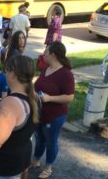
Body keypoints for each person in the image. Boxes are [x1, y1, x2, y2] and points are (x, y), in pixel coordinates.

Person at [0, 55, 39, 179]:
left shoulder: (10, 104)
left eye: (7, 70)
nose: (5, 73)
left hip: (1, 169)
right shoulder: (34, 98)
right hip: (16, 164)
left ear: (13, 74)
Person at [33, 41, 75, 179]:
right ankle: (36, 159)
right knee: (39, 138)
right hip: (40, 113)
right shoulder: (47, 69)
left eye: (46, 52)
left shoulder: (66, 74)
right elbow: (38, 85)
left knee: (51, 141)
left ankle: (48, 166)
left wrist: (50, 98)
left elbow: (69, 97)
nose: (43, 54)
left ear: (53, 55)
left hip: (54, 116)